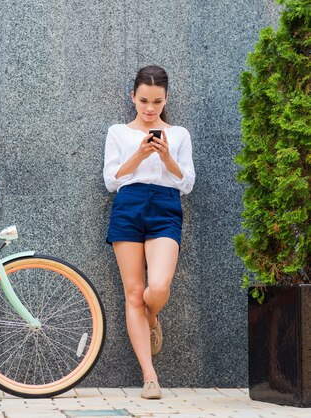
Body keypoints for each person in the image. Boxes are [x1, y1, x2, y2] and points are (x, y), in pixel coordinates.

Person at [103, 65, 195, 399]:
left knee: (157, 287)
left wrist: (168, 157)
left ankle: (152, 318)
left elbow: (186, 183)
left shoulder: (179, 134)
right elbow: (111, 180)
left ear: (166, 98)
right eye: (143, 100)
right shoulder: (118, 133)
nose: (150, 108)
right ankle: (150, 376)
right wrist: (139, 155)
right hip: (128, 205)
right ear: (133, 97)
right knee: (133, 291)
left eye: (157, 101)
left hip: (165, 207)